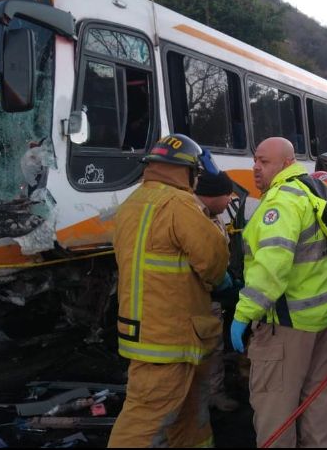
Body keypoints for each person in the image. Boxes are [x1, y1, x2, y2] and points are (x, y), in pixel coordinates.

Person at [108, 134, 230, 448]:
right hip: (171, 335)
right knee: (145, 420)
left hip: (144, 330)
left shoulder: (131, 203)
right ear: (187, 171)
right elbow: (213, 260)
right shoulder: (180, 204)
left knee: (189, 411)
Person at [230, 137, 327, 448]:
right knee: (317, 400)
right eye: (255, 159)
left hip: (288, 324)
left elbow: (272, 267)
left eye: (264, 161)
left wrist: (243, 315)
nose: (255, 167)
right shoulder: (315, 191)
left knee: (275, 410)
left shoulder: (280, 202)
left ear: (285, 163)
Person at [195, 170, 241, 413]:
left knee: (213, 347)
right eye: (227, 196)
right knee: (207, 348)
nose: (229, 202)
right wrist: (225, 283)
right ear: (214, 195)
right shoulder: (193, 218)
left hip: (210, 296)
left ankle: (213, 393)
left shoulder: (212, 217)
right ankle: (204, 396)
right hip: (198, 298)